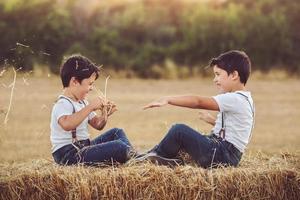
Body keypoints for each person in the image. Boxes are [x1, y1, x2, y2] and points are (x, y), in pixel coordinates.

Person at [139, 50, 255, 168]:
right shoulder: (245, 99)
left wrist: (168, 99)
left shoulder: (235, 99)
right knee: (183, 139)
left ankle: (152, 160)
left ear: (234, 75)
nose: (214, 79)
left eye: (218, 74)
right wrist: (212, 121)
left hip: (222, 154)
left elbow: (197, 102)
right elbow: (237, 130)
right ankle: (151, 156)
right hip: (226, 154)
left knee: (179, 131)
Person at [50, 54, 134, 166]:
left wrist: (105, 113)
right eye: (90, 84)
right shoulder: (63, 103)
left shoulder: (82, 102)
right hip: (68, 155)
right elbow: (67, 124)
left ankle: (134, 158)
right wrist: (90, 107)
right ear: (74, 81)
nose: (91, 88)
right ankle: (136, 159)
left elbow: (98, 124)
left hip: (83, 148)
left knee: (117, 132)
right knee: (119, 147)